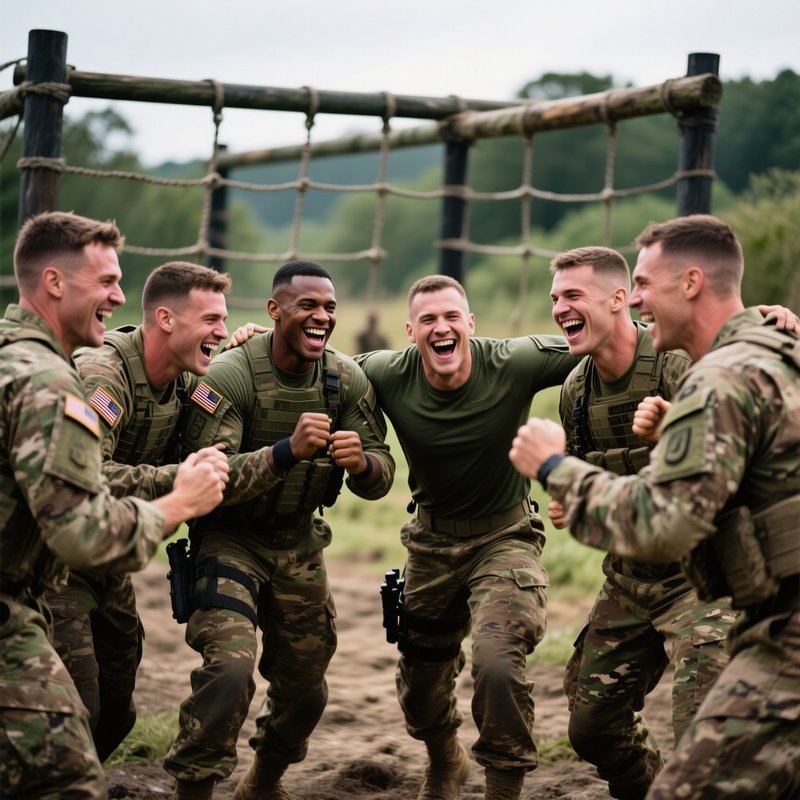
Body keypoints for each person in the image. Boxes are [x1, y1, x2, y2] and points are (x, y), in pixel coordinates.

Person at [509, 215, 800, 799]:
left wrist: (553, 467)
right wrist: (576, 493)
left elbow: (666, 522)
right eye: (554, 298)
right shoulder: (768, 349)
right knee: (591, 727)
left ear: (691, 283)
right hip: (644, 582)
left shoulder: (705, 374)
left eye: (644, 284)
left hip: (713, 594)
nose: (640, 299)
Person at [0, 211, 228, 800]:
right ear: (55, 283)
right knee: (69, 773)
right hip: (39, 586)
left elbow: (218, 404)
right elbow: (80, 530)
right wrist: (176, 502)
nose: (119, 296)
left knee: (111, 716)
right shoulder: (56, 384)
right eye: (106, 282)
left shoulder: (15, 357)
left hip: (47, 582)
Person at [162, 260, 395, 800]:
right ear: (274, 311)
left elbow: (381, 477)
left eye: (330, 307)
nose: (321, 317)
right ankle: (193, 789)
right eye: (307, 306)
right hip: (229, 540)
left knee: (306, 693)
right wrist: (285, 451)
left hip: (298, 544)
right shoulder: (229, 377)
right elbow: (209, 481)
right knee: (229, 672)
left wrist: (362, 465)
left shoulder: (344, 380)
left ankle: (262, 784)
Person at [353, 275, 580, 800]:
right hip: (430, 546)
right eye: (428, 320)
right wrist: (255, 337)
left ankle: (502, 787)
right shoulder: (386, 372)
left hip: (505, 538)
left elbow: (617, 340)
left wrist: (742, 325)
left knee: (498, 662)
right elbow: (313, 366)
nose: (442, 328)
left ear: (470, 324)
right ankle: (444, 761)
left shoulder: (513, 361)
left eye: (452, 316)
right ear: (411, 331)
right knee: (420, 685)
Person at [44, 261, 278, 763]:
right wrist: (179, 480)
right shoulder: (104, 377)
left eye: (223, 319)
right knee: (76, 711)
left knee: (117, 714)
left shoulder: (184, 378)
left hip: (109, 562)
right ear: (166, 319)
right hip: (56, 563)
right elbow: (86, 476)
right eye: (211, 319)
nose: (221, 328)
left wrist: (246, 353)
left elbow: (217, 396)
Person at [547, 245, 736, 799]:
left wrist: (673, 430)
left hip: (700, 581)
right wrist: (571, 503)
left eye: (573, 295)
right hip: (629, 583)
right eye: (555, 297)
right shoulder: (576, 392)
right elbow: (591, 484)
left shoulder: (675, 364)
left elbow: (733, 452)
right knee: (590, 728)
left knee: (703, 734)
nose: (560, 308)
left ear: (620, 298)